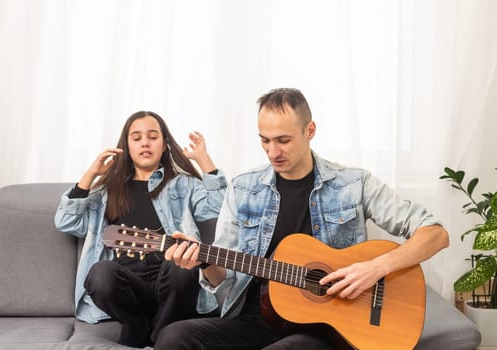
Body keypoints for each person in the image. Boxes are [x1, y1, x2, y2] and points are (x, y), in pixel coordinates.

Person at [157, 88, 450, 349]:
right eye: (265, 141)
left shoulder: (353, 183)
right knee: (173, 338)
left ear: (309, 130)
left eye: (283, 140)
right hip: (254, 321)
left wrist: (374, 269)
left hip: (322, 330)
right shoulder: (243, 188)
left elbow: (436, 234)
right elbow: (224, 278)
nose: (273, 152)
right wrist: (205, 262)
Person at [54, 110, 227, 348]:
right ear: (126, 146)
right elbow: (66, 221)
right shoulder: (107, 192)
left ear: (165, 144)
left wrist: (204, 159)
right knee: (99, 273)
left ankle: (158, 334)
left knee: (184, 264)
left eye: (153, 136)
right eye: (136, 137)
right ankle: (137, 324)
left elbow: (220, 207)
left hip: (173, 286)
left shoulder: (183, 185)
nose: (145, 142)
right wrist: (91, 174)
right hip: (129, 288)